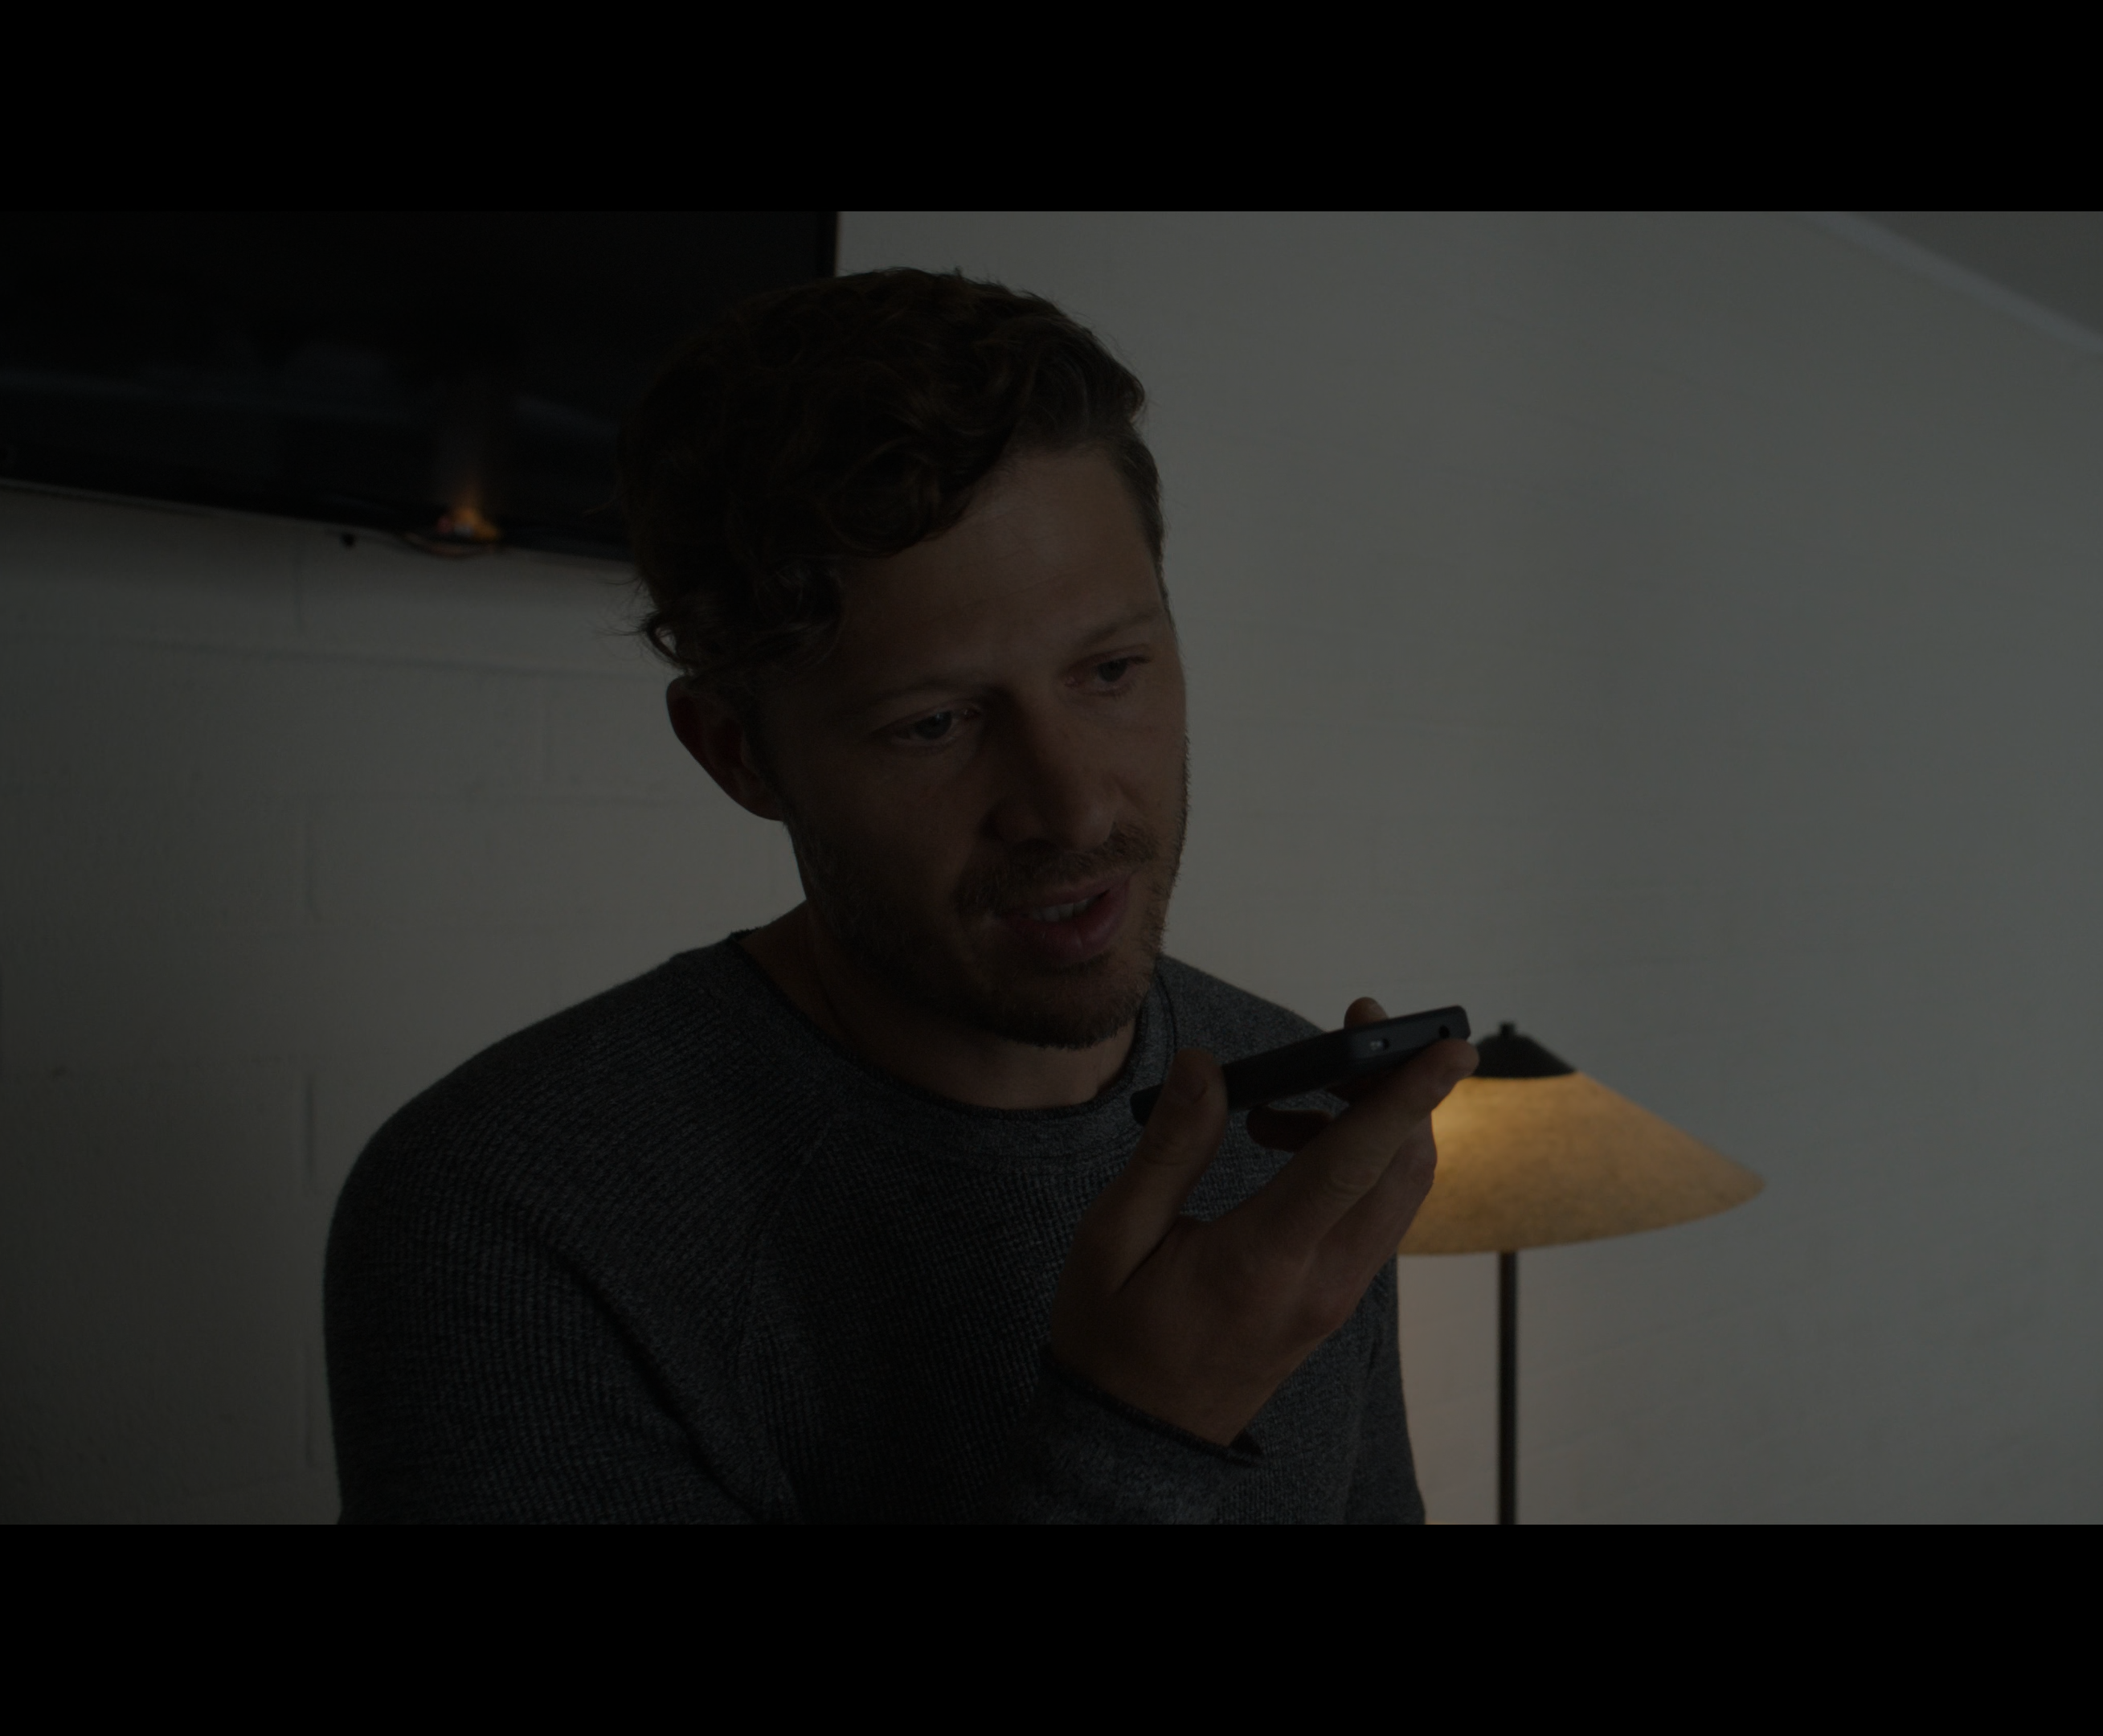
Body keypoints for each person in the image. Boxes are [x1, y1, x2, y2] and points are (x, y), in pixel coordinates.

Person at [323, 269, 1473, 1521]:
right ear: (740, 756)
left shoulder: (1290, 1121)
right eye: (934, 723)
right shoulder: (514, 1218)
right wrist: (1147, 1438)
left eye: (1110, 670)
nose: (1073, 808)